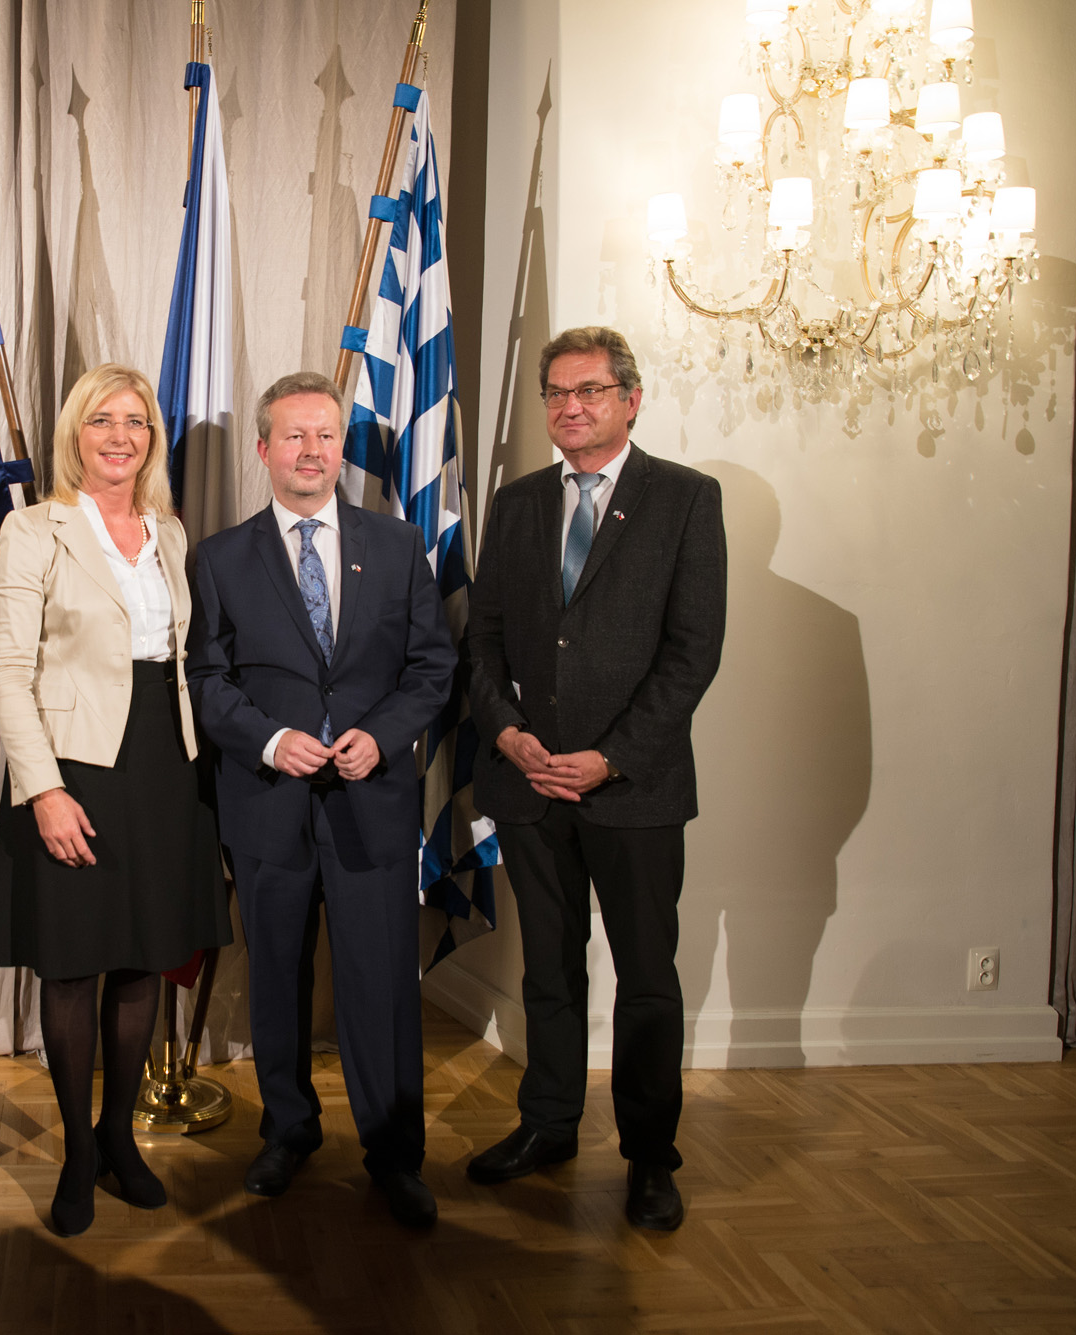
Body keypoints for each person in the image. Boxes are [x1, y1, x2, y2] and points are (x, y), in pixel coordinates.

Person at [461, 326, 726, 1231]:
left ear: (631, 399)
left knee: (648, 978)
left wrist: (610, 756)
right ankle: (550, 1124)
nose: (571, 406)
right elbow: (484, 639)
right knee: (549, 971)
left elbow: (692, 657)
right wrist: (506, 732)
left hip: (635, 790)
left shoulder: (687, 500)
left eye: (590, 391)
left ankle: (651, 1157)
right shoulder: (520, 502)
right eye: (557, 394)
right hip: (531, 785)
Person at [186, 371, 455, 1230]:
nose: (311, 451)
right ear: (263, 449)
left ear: (343, 446)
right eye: (293, 436)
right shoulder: (221, 557)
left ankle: (394, 1152)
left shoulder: (399, 542)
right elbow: (206, 677)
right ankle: (288, 1129)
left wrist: (383, 733)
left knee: (381, 984)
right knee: (275, 980)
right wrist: (268, 738)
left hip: (371, 802)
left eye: (326, 435)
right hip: (267, 804)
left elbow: (431, 669)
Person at [0, 363, 233, 1237]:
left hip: (167, 767)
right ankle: (78, 1156)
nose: (120, 435)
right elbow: (7, 672)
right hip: (76, 767)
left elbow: (180, 661)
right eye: (102, 420)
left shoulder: (169, 530)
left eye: (135, 421)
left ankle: (118, 1136)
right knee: (74, 963)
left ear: (152, 437)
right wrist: (43, 790)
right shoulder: (33, 530)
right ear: (74, 434)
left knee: (142, 957)